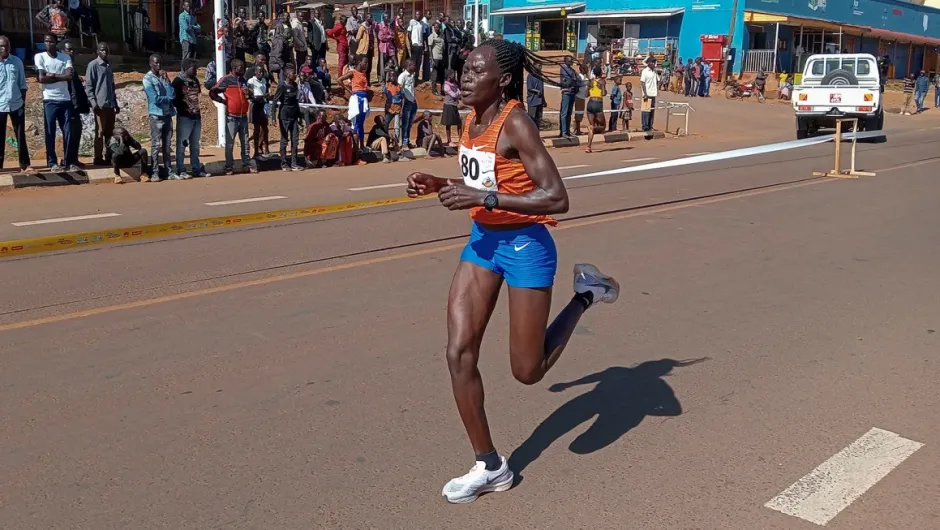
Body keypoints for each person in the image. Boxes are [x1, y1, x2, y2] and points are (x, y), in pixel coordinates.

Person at [404, 39, 620, 504]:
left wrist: (484, 199)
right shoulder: (471, 118)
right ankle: (490, 465)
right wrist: (442, 184)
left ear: (501, 80)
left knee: (528, 371)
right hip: (483, 242)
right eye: (463, 68)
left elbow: (557, 197)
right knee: (458, 353)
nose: (464, 77)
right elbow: (487, 182)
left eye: (474, 71)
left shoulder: (516, 122)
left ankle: (585, 293)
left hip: (526, 247)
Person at [35, 33, 76, 172]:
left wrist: (52, 75)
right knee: (50, 132)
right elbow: (41, 78)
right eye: (46, 41)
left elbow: (69, 76)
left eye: (51, 41)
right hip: (49, 100)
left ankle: (69, 161)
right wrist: (60, 77)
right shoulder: (40, 57)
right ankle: (52, 162)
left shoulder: (65, 57)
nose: (48, 44)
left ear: (56, 43)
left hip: (65, 99)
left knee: (68, 131)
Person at [209, 58, 258, 174]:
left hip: (243, 116)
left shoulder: (243, 80)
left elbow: (250, 96)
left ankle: (247, 164)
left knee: (245, 143)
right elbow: (212, 91)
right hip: (231, 117)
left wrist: (249, 93)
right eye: (241, 68)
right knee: (230, 143)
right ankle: (229, 166)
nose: (243, 70)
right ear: (234, 68)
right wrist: (222, 101)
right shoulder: (226, 80)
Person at [142, 53, 177, 180]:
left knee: (167, 145)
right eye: (156, 63)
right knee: (156, 145)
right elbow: (154, 98)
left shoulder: (163, 76)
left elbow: (173, 94)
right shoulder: (147, 79)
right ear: (150, 63)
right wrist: (168, 98)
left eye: (160, 62)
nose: (158, 65)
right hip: (156, 115)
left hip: (167, 115)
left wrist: (167, 80)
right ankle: (155, 171)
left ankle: (169, 171)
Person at [0, 35, 32, 173]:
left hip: (16, 103)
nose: (3, 48)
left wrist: (22, 102)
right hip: (0, 104)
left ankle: (25, 165)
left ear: (10, 47)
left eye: (6, 46)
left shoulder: (17, 62)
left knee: (20, 136)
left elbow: (22, 84)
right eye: (1, 46)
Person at [172, 58, 208, 178]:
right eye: (194, 69)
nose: (196, 71)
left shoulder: (195, 80)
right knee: (182, 144)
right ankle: (181, 169)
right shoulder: (178, 81)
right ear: (185, 68)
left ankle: (196, 168)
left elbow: (197, 95)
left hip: (196, 117)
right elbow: (174, 100)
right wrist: (185, 107)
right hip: (185, 118)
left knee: (195, 145)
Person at [85, 42, 119, 166]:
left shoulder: (108, 66)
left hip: (110, 104)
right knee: (100, 132)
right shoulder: (93, 65)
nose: (105, 52)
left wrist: (115, 103)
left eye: (106, 50)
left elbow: (111, 86)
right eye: (102, 50)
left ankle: (109, 156)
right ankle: (98, 157)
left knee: (110, 133)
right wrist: (93, 103)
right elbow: (89, 86)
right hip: (99, 105)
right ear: (97, 51)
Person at [61, 41, 90, 169]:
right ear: (63, 51)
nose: (72, 53)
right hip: (68, 105)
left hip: (76, 106)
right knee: (70, 133)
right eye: (69, 50)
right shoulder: (63, 67)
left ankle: (74, 158)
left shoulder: (72, 66)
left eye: (73, 50)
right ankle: (68, 160)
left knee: (77, 131)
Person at [271, 65, 303, 171]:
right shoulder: (282, 86)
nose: (295, 75)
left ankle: (294, 163)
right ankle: (284, 163)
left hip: (294, 115)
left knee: (295, 139)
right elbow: (275, 101)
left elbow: (296, 102)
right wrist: (273, 117)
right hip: (284, 115)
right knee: (284, 140)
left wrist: (299, 116)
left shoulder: (295, 85)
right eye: (293, 73)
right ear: (287, 75)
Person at [337, 55, 370, 144]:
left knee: (361, 124)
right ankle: (354, 145)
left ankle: (362, 144)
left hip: (364, 99)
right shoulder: (352, 72)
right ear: (360, 62)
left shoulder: (363, 73)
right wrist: (350, 91)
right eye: (365, 63)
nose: (366, 65)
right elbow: (339, 80)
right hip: (357, 99)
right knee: (356, 123)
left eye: (367, 63)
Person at [247, 60, 272, 160]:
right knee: (257, 129)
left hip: (263, 105)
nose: (260, 73)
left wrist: (266, 96)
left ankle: (266, 148)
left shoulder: (264, 81)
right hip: (255, 106)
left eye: (262, 71)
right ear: (255, 72)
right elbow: (250, 94)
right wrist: (257, 97)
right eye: (259, 71)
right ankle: (256, 151)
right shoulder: (251, 81)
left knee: (265, 128)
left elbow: (266, 93)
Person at [397, 59, 417, 148]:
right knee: (405, 124)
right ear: (408, 66)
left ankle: (407, 140)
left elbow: (411, 89)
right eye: (413, 65)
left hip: (412, 101)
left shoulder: (412, 76)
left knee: (410, 123)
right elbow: (400, 91)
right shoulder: (402, 76)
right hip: (406, 103)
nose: (415, 66)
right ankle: (404, 143)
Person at [558, 55, 578, 139]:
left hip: (572, 92)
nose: (571, 62)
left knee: (569, 113)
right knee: (564, 113)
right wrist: (572, 81)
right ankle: (563, 132)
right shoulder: (564, 69)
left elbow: (575, 79)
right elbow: (567, 81)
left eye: (572, 60)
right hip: (566, 93)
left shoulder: (572, 70)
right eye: (570, 60)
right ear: (566, 61)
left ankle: (567, 130)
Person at [441, 69, 462, 146]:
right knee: (448, 124)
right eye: (453, 74)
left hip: (454, 105)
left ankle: (460, 139)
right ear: (449, 76)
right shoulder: (446, 85)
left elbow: (459, 93)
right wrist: (457, 93)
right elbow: (454, 95)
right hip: (448, 105)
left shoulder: (455, 84)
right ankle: (449, 141)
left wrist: (457, 93)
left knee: (459, 123)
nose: (454, 76)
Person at [639, 57, 658, 132]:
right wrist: (645, 94)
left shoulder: (655, 71)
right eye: (652, 62)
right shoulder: (645, 71)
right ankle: (645, 126)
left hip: (653, 94)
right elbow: (642, 82)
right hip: (647, 94)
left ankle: (650, 126)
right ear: (649, 63)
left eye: (654, 62)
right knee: (645, 111)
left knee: (652, 111)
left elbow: (658, 80)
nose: (654, 64)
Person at [384, 70, 403, 144]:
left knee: (396, 126)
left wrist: (402, 109)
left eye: (394, 76)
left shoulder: (399, 87)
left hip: (397, 108)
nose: (392, 77)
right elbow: (385, 95)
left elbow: (402, 98)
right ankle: (386, 139)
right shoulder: (387, 85)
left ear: (396, 77)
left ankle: (397, 142)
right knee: (386, 123)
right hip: (389, 108)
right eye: (391, 76)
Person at [355, 14, 375, 85]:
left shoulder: (371, 27)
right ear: (366, 18)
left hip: (370, 49)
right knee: (364, 66)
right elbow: (357, 39)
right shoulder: (362, 27)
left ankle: (368, 81)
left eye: (371, 17)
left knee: (369, 66)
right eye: (370, 18)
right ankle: (362, 81)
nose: (371, 19)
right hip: (364, 50)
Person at [428, 22, 445, 95]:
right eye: (435, 27)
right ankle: (433, 90)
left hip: (441, 57)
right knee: (434, 74)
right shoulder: (432, 36)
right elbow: (430, 48)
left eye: (438, 27)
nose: (436, 28)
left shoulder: (442, 36)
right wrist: (431, 59)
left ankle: (442, 90)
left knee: (442, 74)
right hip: (435, 57)